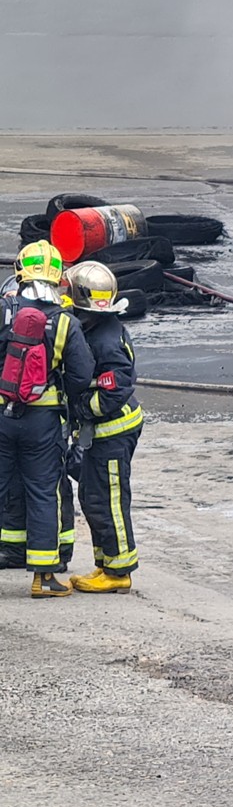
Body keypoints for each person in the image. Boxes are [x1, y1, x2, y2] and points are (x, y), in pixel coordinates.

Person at [0, 242, 93, 597]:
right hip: (42, 421)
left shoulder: (3, 309)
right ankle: (44, 578)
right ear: (57, 276)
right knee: (43, 493)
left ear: (20, 271)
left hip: (1, 417)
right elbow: (81, 375)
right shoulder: (65, 320)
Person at [63, 262, 142, 592]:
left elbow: (113, 391)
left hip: (113, 430)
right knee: (93, 497)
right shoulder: (97, 327)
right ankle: (104, 564)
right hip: (101, 433)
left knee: (110, 500)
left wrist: (79, 408)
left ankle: (119, 571)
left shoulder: (105, 339)